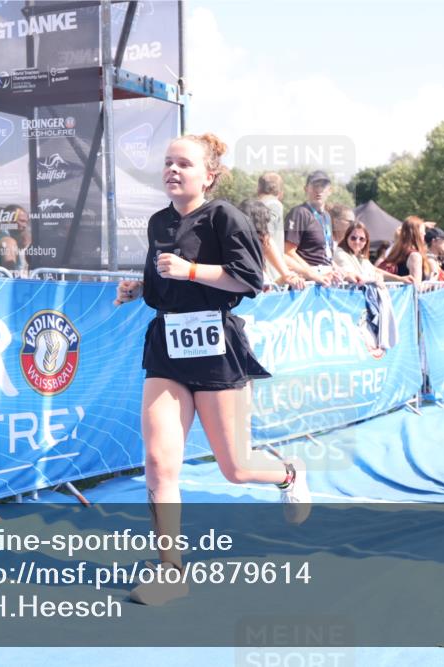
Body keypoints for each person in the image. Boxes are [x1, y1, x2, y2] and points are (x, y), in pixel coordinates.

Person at [114, 133, 311, 606]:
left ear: (209, 174)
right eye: (167, 163)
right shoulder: (159, 221)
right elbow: (160, 277)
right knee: (160, 464)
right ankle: (171, 571)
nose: (172, 170)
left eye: (184, 163)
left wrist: (192, 271)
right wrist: (138, 288)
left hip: (216, 346)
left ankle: (288, 472)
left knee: (236, 468)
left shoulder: (226, 217)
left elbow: (249, 279)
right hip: (166, 346)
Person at [284, 171, 351, 286]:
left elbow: (325, 254)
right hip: (307, 281)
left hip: (325, 277)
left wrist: (338, 269)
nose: (319, 190)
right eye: (315, 186)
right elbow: (288, 251)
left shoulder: (327, 216)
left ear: (330, 190)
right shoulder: (299, 213)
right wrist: (312, 274)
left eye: (323, 186)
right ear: (306, 189)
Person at [255, 173, 303, 288]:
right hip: (271, 278)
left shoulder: (254, 205)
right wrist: (285, 274)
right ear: (281, 193)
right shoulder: (274, 205)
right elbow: (265, 241)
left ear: (258, 189)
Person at [333, 221, 412, 285]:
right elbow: (353, 274)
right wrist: (376, 278)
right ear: (347, 238)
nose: (357, 242)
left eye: (362, 239)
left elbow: (374, 270)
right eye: (353, 238)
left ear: (366, 242)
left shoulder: (361, 256)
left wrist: (399, 278)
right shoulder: (340, 253)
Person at [380, 216, 430, 283]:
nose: (424, 234)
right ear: (416, 234)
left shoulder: (396, 251)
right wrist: (431, 283)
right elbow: (416, 287)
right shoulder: (414, 256)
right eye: (422, 232)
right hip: (406, 293)